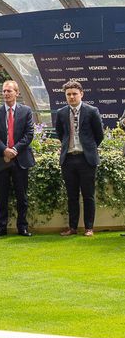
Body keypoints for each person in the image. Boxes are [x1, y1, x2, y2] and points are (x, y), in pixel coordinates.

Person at [55, 80, 104, 237]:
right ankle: (72, 227)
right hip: (68, 159)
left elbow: (99, 135)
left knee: (88, 195)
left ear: (81, 94)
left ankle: (89, 228)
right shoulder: (61, 112)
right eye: (68, 94)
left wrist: (89, 148)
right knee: (72, 196)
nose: (71, 97)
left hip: (86, 159)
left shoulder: (92, 111)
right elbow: (60, 133)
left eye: (74, 94)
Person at [0, 81, 35, 237]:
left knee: (22, 195)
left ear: (17, 93)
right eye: (4, 91)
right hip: (2, 159)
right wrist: (5, 149)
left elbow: (29, 134)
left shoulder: (26, 111)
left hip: (20, 158)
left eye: (9, 91)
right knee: (2, 195)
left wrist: (14, 149)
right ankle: (1, 228)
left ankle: (22, 227)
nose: (6, 94)